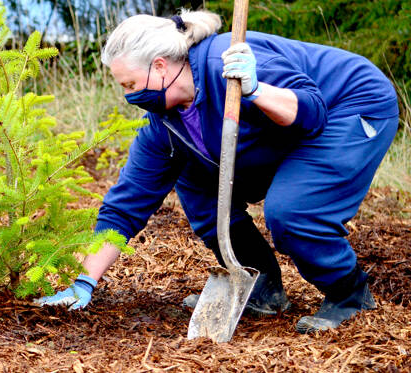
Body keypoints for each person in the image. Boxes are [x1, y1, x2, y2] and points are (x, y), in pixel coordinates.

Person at [36, 9, 399, 334]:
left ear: (160, 66)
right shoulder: (163, 126)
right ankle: (261, 285)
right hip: (279, 131)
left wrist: (255, 88)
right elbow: (125, 205)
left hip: (346, 106)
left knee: (292, 212)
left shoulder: (225, 61)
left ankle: (349, 294)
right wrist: (84, 281)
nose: (129, 96)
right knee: (195, 183)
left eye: (130, 84)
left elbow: (311, 113)